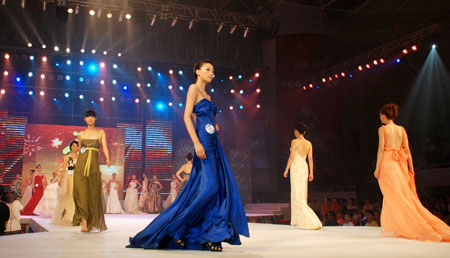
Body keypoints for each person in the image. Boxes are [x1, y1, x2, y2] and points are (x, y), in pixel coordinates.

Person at [128, 59, 249, 251]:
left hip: (214, 142)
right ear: (198, 71)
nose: (212, 73)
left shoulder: (208, 96)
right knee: (211, 186)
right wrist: (196, 142)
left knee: (214, 188)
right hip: (203, 142)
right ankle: (176, 227)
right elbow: (186, 115)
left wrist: (213, 125)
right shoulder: (193, 88)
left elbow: (199, 115)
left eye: (213, 70)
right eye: (208, 69)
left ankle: (209, 234)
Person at [374, 103, 450, 241]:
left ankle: (406, 227)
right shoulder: (401, 129)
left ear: (384, 116)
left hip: (388, 164)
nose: (380, 118)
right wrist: (411, 168)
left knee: (394, 196)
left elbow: (380, 151)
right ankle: (395, 227)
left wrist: (377, 168)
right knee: (400, 195)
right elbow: (408, 151)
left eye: (380, 115)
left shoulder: (383, 129)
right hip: (400, 165)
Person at [73, 110, 110, 232]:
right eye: (87, 117)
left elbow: (104, 147)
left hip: (94, 166)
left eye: (92, 117)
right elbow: (80, 151)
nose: (90, 119)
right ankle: (84, 222)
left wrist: (108, 159)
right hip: (81, 165)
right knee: (81, 192)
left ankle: (91, 221)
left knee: (93, 193)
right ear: (84, 119)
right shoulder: (81, 134)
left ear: (95, 119)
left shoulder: (100, 132)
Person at [283, 123, 322, 230]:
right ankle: (298, 219)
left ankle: (305, 219)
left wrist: (286, 169)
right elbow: (310, 159)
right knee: (301, 192)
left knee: (296, 192)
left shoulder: (294, 142)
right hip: (304, 167)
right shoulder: (309, 143)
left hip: (296, 167)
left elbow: (291, 157)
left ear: (296, 131)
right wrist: (311, 172)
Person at [52, 141, 79, 226]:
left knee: (77, 197)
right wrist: (60, 178)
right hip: (70, 177)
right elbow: (65, 169)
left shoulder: (80, 157)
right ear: (71, 147)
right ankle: (69, 217)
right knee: (69, 195)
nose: (75, 147)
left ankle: (77, 217)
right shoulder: (68, 157)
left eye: (76, 146)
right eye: (73, 146)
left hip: (78, 177)